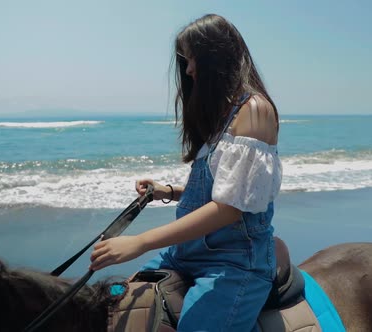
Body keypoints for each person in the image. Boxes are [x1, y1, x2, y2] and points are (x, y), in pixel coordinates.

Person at [90, 14, 282, 331]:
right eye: (186, 60)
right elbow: (221, 190)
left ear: (216, 56)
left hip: (233, 262)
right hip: (185, 254)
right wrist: (169, 191)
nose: (189, 69)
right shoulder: (222, 115)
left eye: (193, 59)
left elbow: (230, 209)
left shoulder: (255, 110)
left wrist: (140, 242)